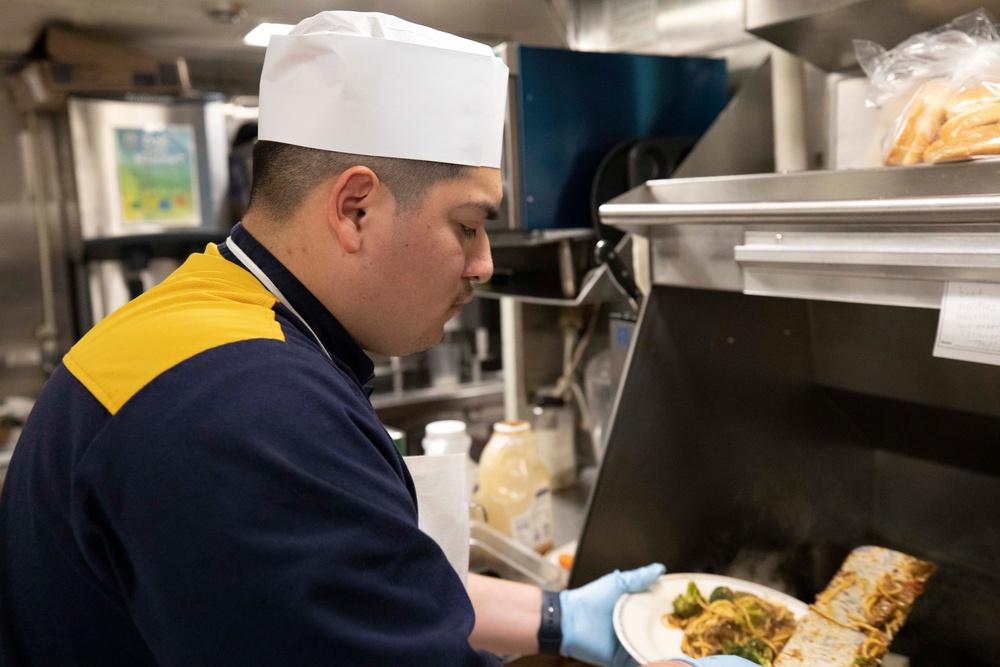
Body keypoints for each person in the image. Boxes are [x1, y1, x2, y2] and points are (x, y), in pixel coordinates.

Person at [0, 11, 754, 667]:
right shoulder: (248, 411)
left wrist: (557, 617)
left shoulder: (208, 315)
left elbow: (351, 587)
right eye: (467, 225)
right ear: (355, 208)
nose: (485, 264)